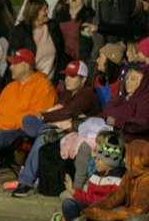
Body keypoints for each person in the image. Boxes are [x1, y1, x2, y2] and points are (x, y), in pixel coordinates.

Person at [9, 59, 100, 196]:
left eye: (72, 76)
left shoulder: (87, 94)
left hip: (77, 132)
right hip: (57, 127)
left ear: (83, 79)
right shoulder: (68, 92)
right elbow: (58, 111)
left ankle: (26, 182)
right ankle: (45, 130)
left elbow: (67, 113)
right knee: (28, 119)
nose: (67, 80)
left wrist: (44, 117)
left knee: (42, 139)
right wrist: (44, 117)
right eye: (66, 76)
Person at [0, 49, 57, 181]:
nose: (11, 67)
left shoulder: (44, 86)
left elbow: (35, 118)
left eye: (15, 64)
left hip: (23, 131)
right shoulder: (11, 87)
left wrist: (5, 123)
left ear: (26, 66)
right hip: (4, 127)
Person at [71, 138, 149, 221]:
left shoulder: (146, 180)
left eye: (129, 156)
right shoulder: (129, 175)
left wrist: (106, 215)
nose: (126, 159)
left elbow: (139, 210)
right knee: (112, 210)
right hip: (129, 211)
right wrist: (95, 208)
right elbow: (115, 197)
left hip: (142, 215)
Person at [53, 131, 123, 221]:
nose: (95, 161)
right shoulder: (95, 177)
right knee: (68, 203)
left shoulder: (118, 180)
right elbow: (89, 196)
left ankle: (76, 220)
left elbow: (108, 201)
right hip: (91, 206)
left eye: (98, 159)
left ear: (107, 163)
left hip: (104, 209)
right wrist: (73, 191)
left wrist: (78, 195)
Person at [9, 0, 65, 81]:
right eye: (44, 10)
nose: (47, 12)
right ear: (35, 11)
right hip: (28, 81)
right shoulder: (21, 31)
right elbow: (13, 55)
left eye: (47, 9)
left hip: (51, 81)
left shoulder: (53, 27)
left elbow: (61, 53)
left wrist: (61, 77)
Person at [53, 0, 96, 64]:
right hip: (62, 61)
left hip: (82, 61)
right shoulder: (60, 17)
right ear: (67, 0)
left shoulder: (90, 17)